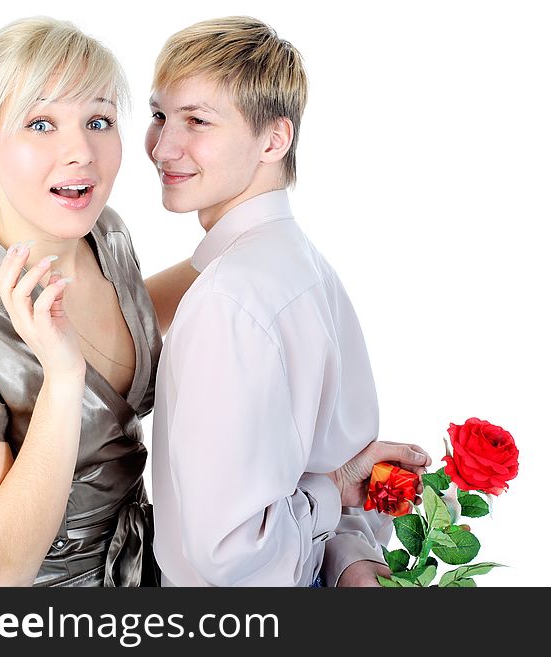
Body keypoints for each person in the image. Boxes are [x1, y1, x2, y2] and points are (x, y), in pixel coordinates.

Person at [0, 16, 197, 587]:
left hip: (153, 566)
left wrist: (241, 250)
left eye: (98, 120)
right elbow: (5, 566)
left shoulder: (105, 234)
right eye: (41, 122)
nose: (80, 151)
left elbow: (128, 322)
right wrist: (63, 372)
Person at [146, 16, 431, 587]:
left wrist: (332, 492)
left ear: (275, 140)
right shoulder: (302, 265)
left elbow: (227, 555)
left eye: (197, 121)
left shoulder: (229, 301)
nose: (162, 147)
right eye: (159, 116)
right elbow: (344, 464)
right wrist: (348, 539)